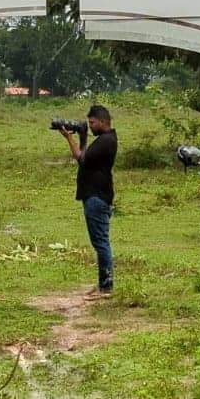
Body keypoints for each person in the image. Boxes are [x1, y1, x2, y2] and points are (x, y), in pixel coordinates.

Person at [60, 104, 118, 297]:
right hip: (95, 196)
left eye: (92, 123)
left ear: (103, 121)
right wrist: (83, 137)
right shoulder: (104, 139)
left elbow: (81, 159)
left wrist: (70, 138)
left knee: (101, 243)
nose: (90, 126)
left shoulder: (106, 141)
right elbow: (84, 157)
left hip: (97, 197)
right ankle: (103, 284)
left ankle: (106, 287)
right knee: (100, 242)